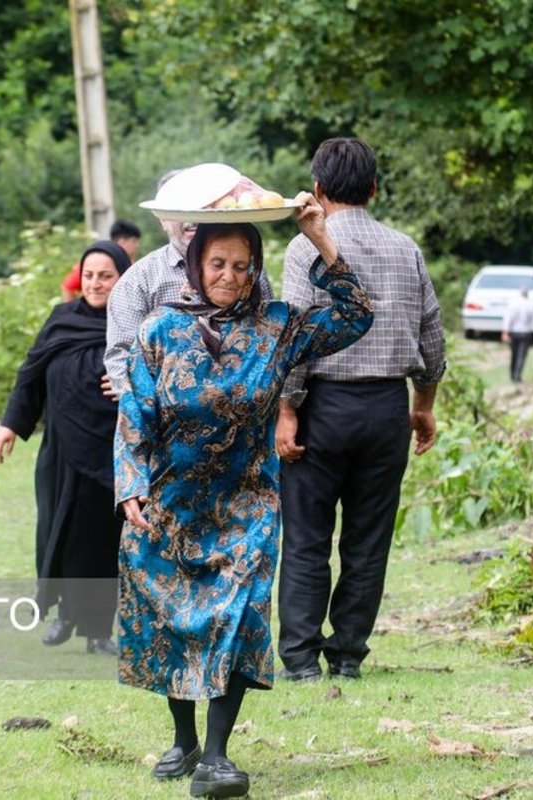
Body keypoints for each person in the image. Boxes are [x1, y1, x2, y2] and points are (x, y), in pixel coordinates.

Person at [114, 197, 373, 799]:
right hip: (168, 503)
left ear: (256, 268)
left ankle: (218, 755)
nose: (230, 276)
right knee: (172, 619)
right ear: (195, 264)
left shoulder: (278, 327)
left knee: (237, 616)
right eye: (218, 263)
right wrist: (131, 486)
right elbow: (135, 415)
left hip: (246, 502)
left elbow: (356, 315)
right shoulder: (160, 330)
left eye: (242, 264)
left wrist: (319, 237)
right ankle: (183, 738)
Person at [275, 137, 447, 682]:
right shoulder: (406, 248)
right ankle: (347, 654)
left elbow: (297, 335)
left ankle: (301, 658)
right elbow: (432, 338)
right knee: (367, 540)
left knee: (306, 535)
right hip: (384, 409)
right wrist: (423, 405)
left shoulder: (305, 247)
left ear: (319, 189)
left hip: (322, 405)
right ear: (374, 188)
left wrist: (287, 410)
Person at [0, 240, 132, 655]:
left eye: (106, 276)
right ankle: (65, 614)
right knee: (59, 532)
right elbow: (30, 374)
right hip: (59, 452)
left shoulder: (132, 324)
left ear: (122, 278)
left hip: (107, 451)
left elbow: (158, 374)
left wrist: (131, 381)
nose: (96, 283)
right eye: (89, 275)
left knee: (101, 540)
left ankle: (98, 631)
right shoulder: (61, 319)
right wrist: (10, 426)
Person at [103, 169, 274, 400]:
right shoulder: (139, 280)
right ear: (162, 218)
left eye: (200, 205)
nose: (192, 216)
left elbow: (270, 334)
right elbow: (121, 355)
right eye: (181, 207)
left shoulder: (249, 270)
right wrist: (148, 409)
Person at [60, 220, 143, 302]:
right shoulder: (96, 263)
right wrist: (72, 313)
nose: (137, 246)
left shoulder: (134, 264)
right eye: (134, 241)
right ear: (122, 241)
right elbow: (68, 287)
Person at [503, 283, 533, 384]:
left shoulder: (513, 304)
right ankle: (518, 375)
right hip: (525, 332)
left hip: (514, 332)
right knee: (521, 355)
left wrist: (505, 332)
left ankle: (512, 375)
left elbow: (508, 319)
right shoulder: (531, 305)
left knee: (514, 354)